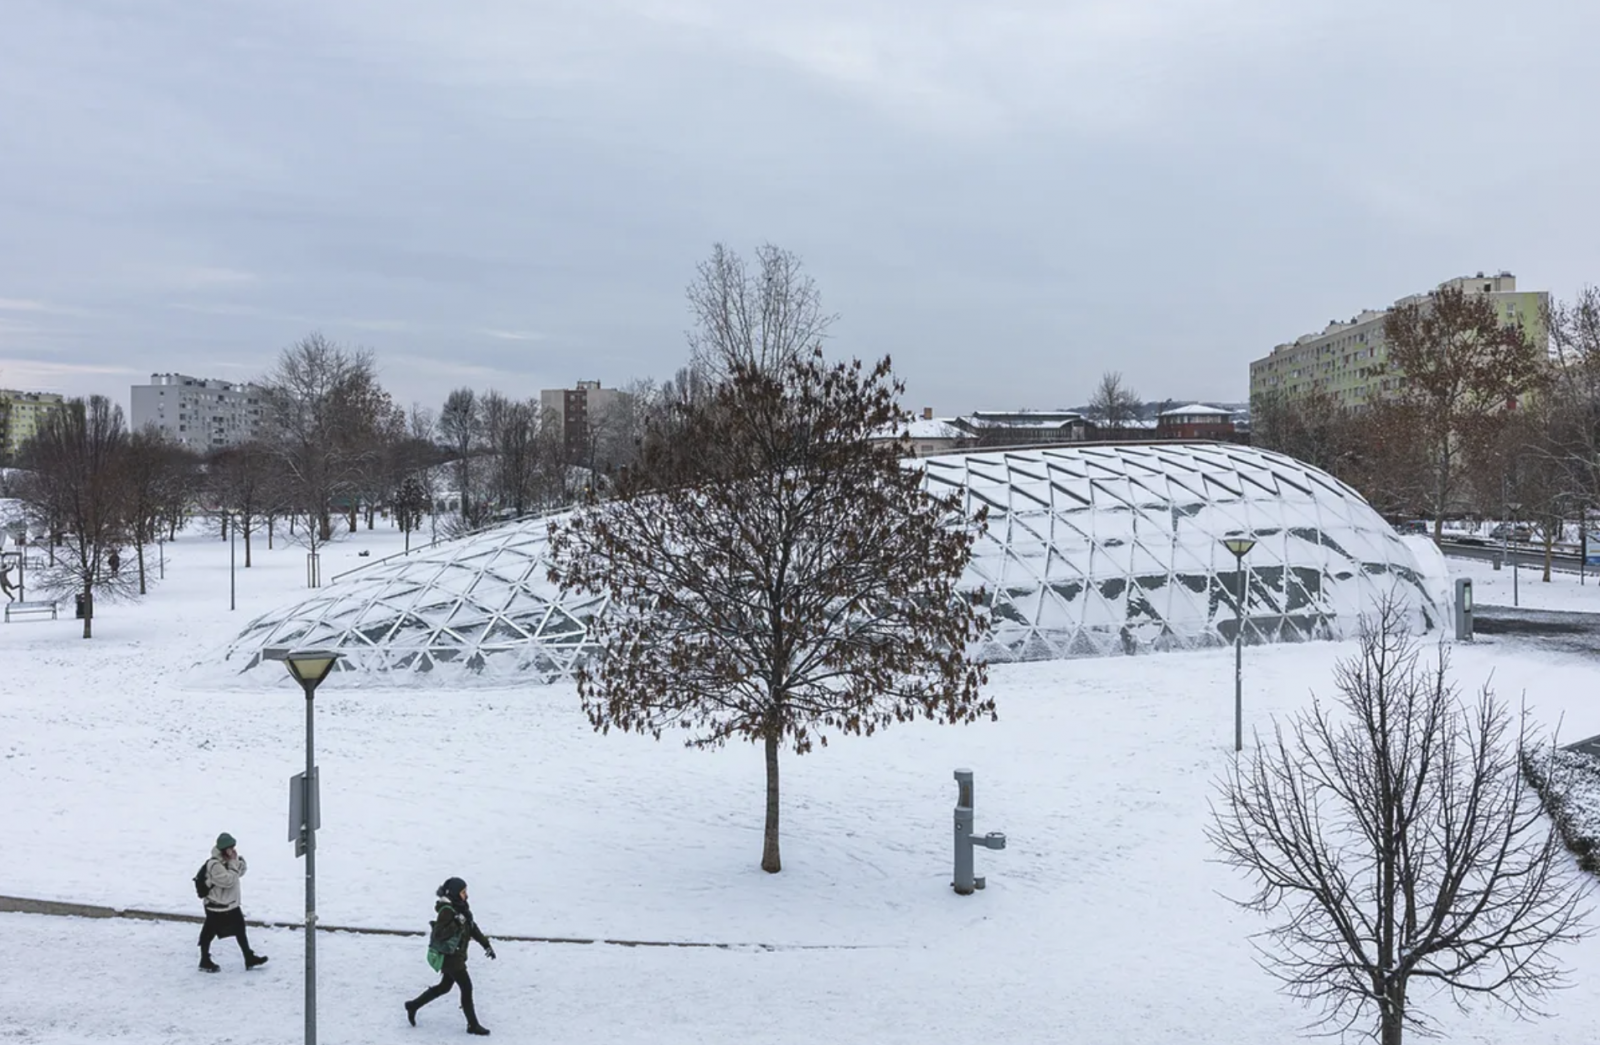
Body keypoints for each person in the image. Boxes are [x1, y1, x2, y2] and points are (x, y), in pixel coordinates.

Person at [405, 877, 496, 1035]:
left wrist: (486, 945)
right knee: (466, 987)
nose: (466, 895)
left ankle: (413, 1005)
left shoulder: (462, 908)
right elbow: (439, 934)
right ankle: (473, 1025)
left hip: (456, 955)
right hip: (451, 958)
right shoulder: (447, 910)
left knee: (444, 987)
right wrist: (456, 923)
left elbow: (472, 928)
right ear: (454, 893)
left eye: (466, 891)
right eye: (463, 892)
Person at [198, 832, 268, 973]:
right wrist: (233, 864)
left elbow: (238, 873)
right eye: (230, 848)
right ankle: (204, 960)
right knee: (209, 933)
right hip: (217, 907)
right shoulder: (214, 865)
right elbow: (228, 881)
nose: (233, 851)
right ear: (224, 849)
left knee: (240, 930)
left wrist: (237, 862)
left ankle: (249, 957)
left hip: (230, 905)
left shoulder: (228, 862)